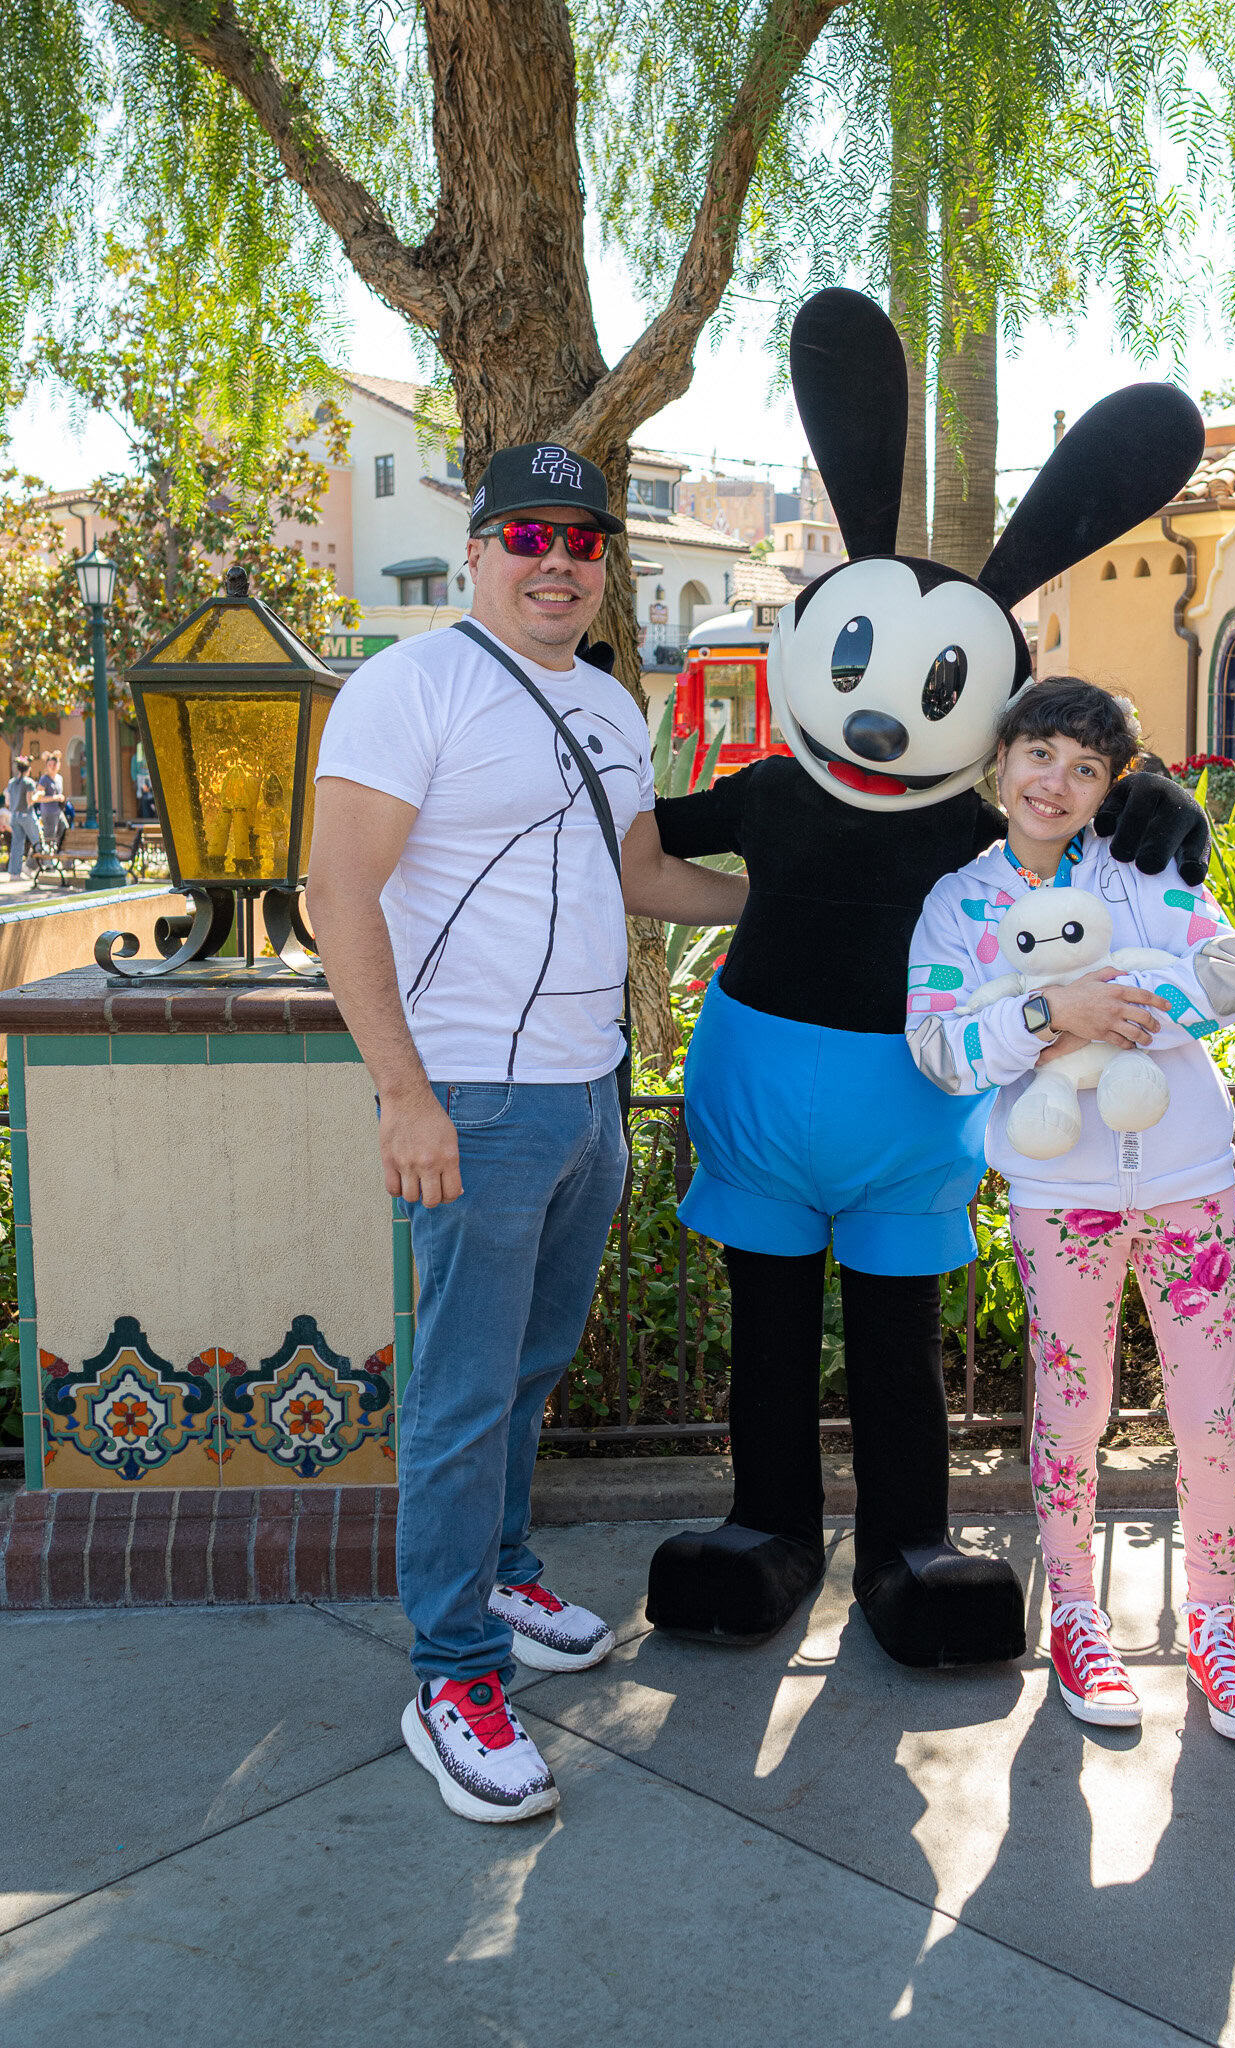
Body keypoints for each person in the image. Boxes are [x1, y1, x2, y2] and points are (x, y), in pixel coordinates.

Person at [306, 441, 748, 1825]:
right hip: (473, 1102)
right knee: (457, 1392)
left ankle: (498, 1566)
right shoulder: (409, 687)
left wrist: (786, 906)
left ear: (601, 561)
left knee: (529, 1365)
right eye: (527, 536)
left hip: (585, 1086)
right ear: (483, 547)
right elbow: (338, 896)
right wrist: (404, 1094)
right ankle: (450, 1674)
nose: (555, 559)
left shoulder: (612, 705)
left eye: (581, 538)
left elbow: (642, 877)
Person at [906, 678, 1235, 1742]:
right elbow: (937, 1045)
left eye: (1084, 767)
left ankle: (1217, 1622)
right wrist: (1042, 1015)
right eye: (1039, 756)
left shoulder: (1144, 869)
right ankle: (1075, 1609)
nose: (1055, 783)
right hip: (1059, 1193)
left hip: (1186, 1182)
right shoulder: (957, 902)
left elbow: (1232, 972)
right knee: (1074, 1410)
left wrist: (1122, 1007)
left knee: (1210, 1412)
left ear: (1109, 784)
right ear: (1001, 761)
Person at [5, 756, 42, 878]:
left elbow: (8, 802)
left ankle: (14, 874)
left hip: (14, 816)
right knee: (39, 841)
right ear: (28, 769)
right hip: (26, 815)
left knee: (16, 845)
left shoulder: (11, 782)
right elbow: (30, 801)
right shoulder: (29, 782)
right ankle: (41, 866)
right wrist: (39, 794)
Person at [36, 753, 66, 851]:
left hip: (58, 811)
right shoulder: (44, 779)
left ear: (58, 765)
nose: (52, 767)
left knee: (65, 828)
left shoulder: (59, 778)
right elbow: (38, 798)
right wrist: (54, 797)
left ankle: (59, 853)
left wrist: (61, 799)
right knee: (50, 836)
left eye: (54, 764)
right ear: (47, 766)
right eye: (50, 765)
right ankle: (46, 862)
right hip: (48, 812)